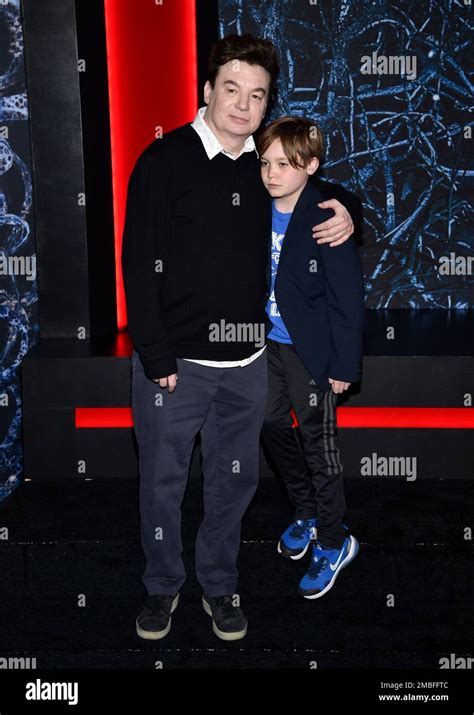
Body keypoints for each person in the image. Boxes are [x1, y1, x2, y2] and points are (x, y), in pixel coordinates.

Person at [121, 34, 358, 642]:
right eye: (232, 89)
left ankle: (220, 586)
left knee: (233, 484)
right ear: (207, 91)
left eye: (257, 95)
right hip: (173, 364)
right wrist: (154, 352)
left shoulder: (266, 164)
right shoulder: (164, 159)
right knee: (162, 486)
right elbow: (136, 258)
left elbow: (317, 191)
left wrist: (351, 209)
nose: (243, 105)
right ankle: (161, 587)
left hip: (249, 362)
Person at [258, 116, 364, 598]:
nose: (271, 172)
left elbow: (347, 297)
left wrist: (345, 365)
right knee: (271, 427)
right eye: (266, 162)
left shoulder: (327, 216)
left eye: (284, 164)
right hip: (265, 347)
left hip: (312, 354)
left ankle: (334, 540)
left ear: (311, 166)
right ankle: (303, 511)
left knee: (321, 452)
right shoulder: (253, 208)